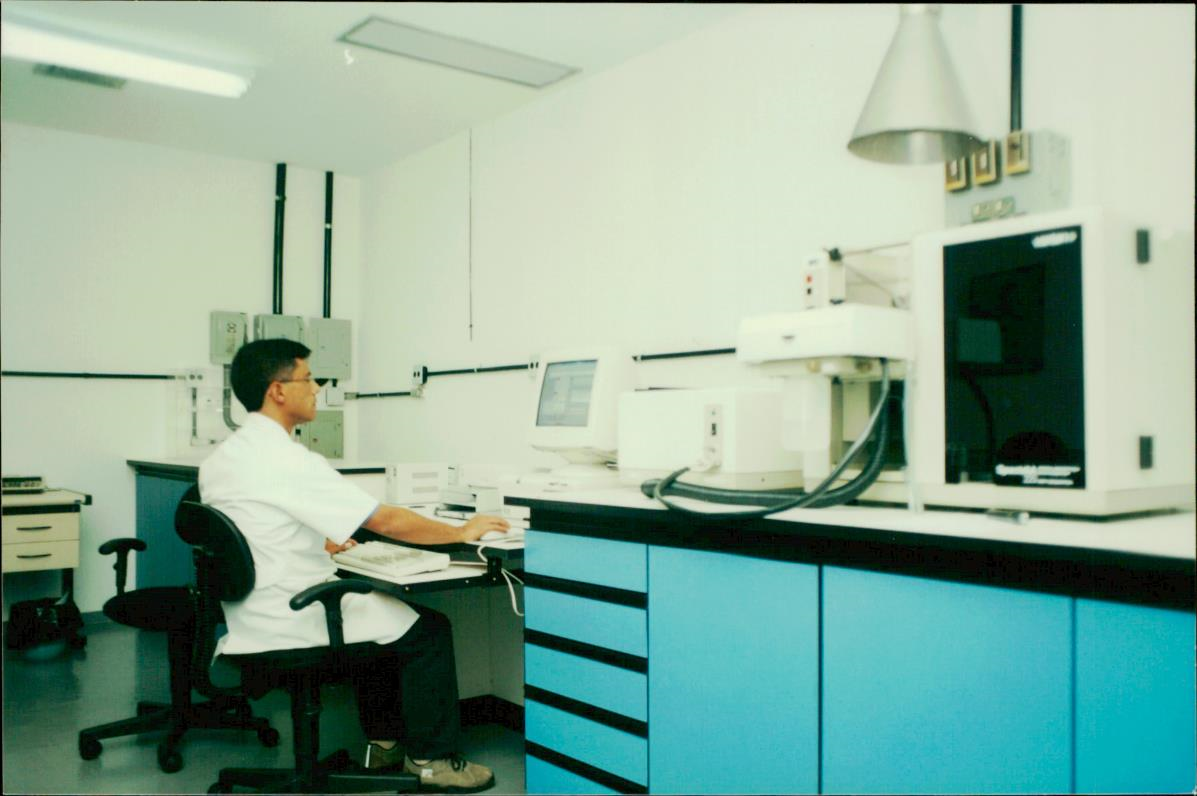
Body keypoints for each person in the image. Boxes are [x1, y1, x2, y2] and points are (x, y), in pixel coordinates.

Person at [199, 338, 507, 793]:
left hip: (250, 618)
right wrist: (461, 532)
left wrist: (313, 538)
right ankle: (432, 761)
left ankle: (384, 746)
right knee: (426, 631)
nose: (317, 388)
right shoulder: (288, 460)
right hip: (295, 615)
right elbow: (386, 521)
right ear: (277, 391)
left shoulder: (223, 458)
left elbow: (254, 528)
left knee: (381, 619)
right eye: (308, 378)